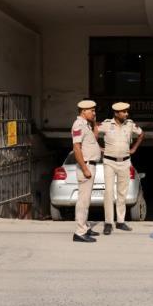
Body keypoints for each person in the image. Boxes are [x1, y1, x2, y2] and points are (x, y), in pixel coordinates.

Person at [98, 102, 144, 235]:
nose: (126, 114)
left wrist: (134, 148)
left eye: (127, 111)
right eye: (124, 112)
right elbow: (93, 131)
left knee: (122, 193)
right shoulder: (107, 124)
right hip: (109, 162)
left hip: (125, 162)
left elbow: (141, 134)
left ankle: (120, 221)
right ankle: (108, 223)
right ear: (116, 113)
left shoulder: (130, 124)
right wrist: (98, 147)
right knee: (108, 193)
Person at [71, 100, 102, 243]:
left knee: (87, 200)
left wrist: (95, 123)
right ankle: (80, 232)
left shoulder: (87, 125)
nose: (94, 113)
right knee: (83, 201)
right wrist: (84, 168)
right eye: (92, 111)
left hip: (91, 165)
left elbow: (96, 138)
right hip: (86, 166)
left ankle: (85, 227)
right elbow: (76, 148)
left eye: (94, 110)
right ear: (83, 111)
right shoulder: (78, 125)